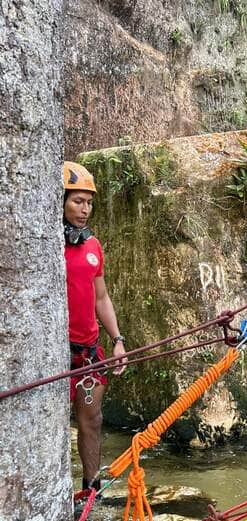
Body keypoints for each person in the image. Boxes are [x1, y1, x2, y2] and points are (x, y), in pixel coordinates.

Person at [63, 161, 127, 490]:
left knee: (92, 420)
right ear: (60, 201)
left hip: (88, 351)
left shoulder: (93, 246)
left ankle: (91, 488)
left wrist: (117, 339)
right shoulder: (46, 247)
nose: (85, 209)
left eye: (89, 202)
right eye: (77, 201)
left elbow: (101, 297)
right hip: (56, 355)